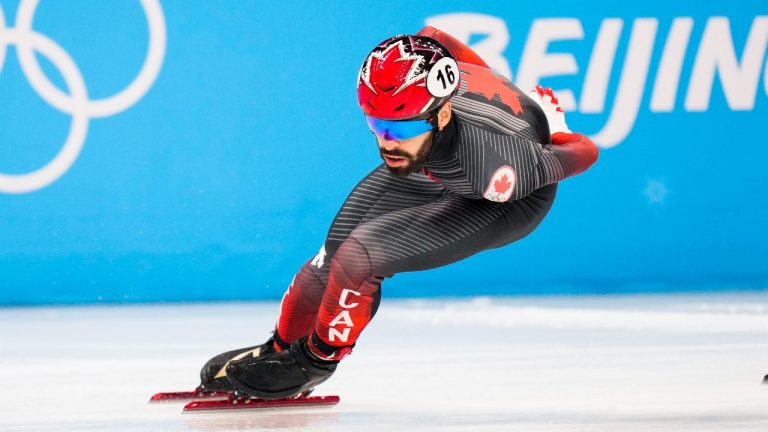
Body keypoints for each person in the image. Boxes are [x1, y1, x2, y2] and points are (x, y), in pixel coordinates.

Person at [198, 27, 599, 400]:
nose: (387, 142)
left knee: (360, 257)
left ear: (440, 115)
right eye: (377, 126)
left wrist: (556, 127)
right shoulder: (426, 79)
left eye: (401, 130)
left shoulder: (497, 169)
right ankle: (280, 347)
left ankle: (316, 361)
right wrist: (481, 88)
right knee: (327, 259)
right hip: (435, 162)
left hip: (504, 201)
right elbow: (434, 37)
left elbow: (585, 152)